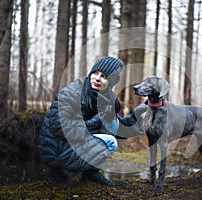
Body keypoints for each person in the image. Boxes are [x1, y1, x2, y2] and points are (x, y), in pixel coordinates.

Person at [38, 56, 147, 186]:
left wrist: (137, 114)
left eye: (104, 76)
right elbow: (60, 128)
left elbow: (116, 128)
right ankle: (56, 170)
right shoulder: (71, 93)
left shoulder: (105, 98)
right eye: (95, 73)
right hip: (57, 151)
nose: (97, 78)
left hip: (74, 144)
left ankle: (91, 173)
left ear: (111, 82)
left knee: (108, 124)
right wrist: (96, 121)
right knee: (110, 142)